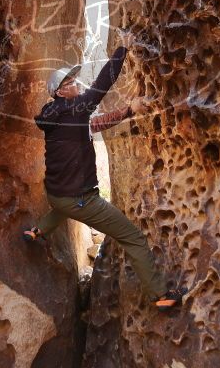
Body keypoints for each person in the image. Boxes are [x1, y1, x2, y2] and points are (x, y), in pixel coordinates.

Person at [25, 31, 185, 311]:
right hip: (80, 199)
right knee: (132, 237)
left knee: (63, 207)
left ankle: (37, 231)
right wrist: (123, 48)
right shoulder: (74, 108)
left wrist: (129, 110)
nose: (76, 84)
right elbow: (101, 85)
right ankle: (160, 295)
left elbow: (97, 124)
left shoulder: (59, 116)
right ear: (61, 91)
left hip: (58, 196)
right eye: (71, 82)